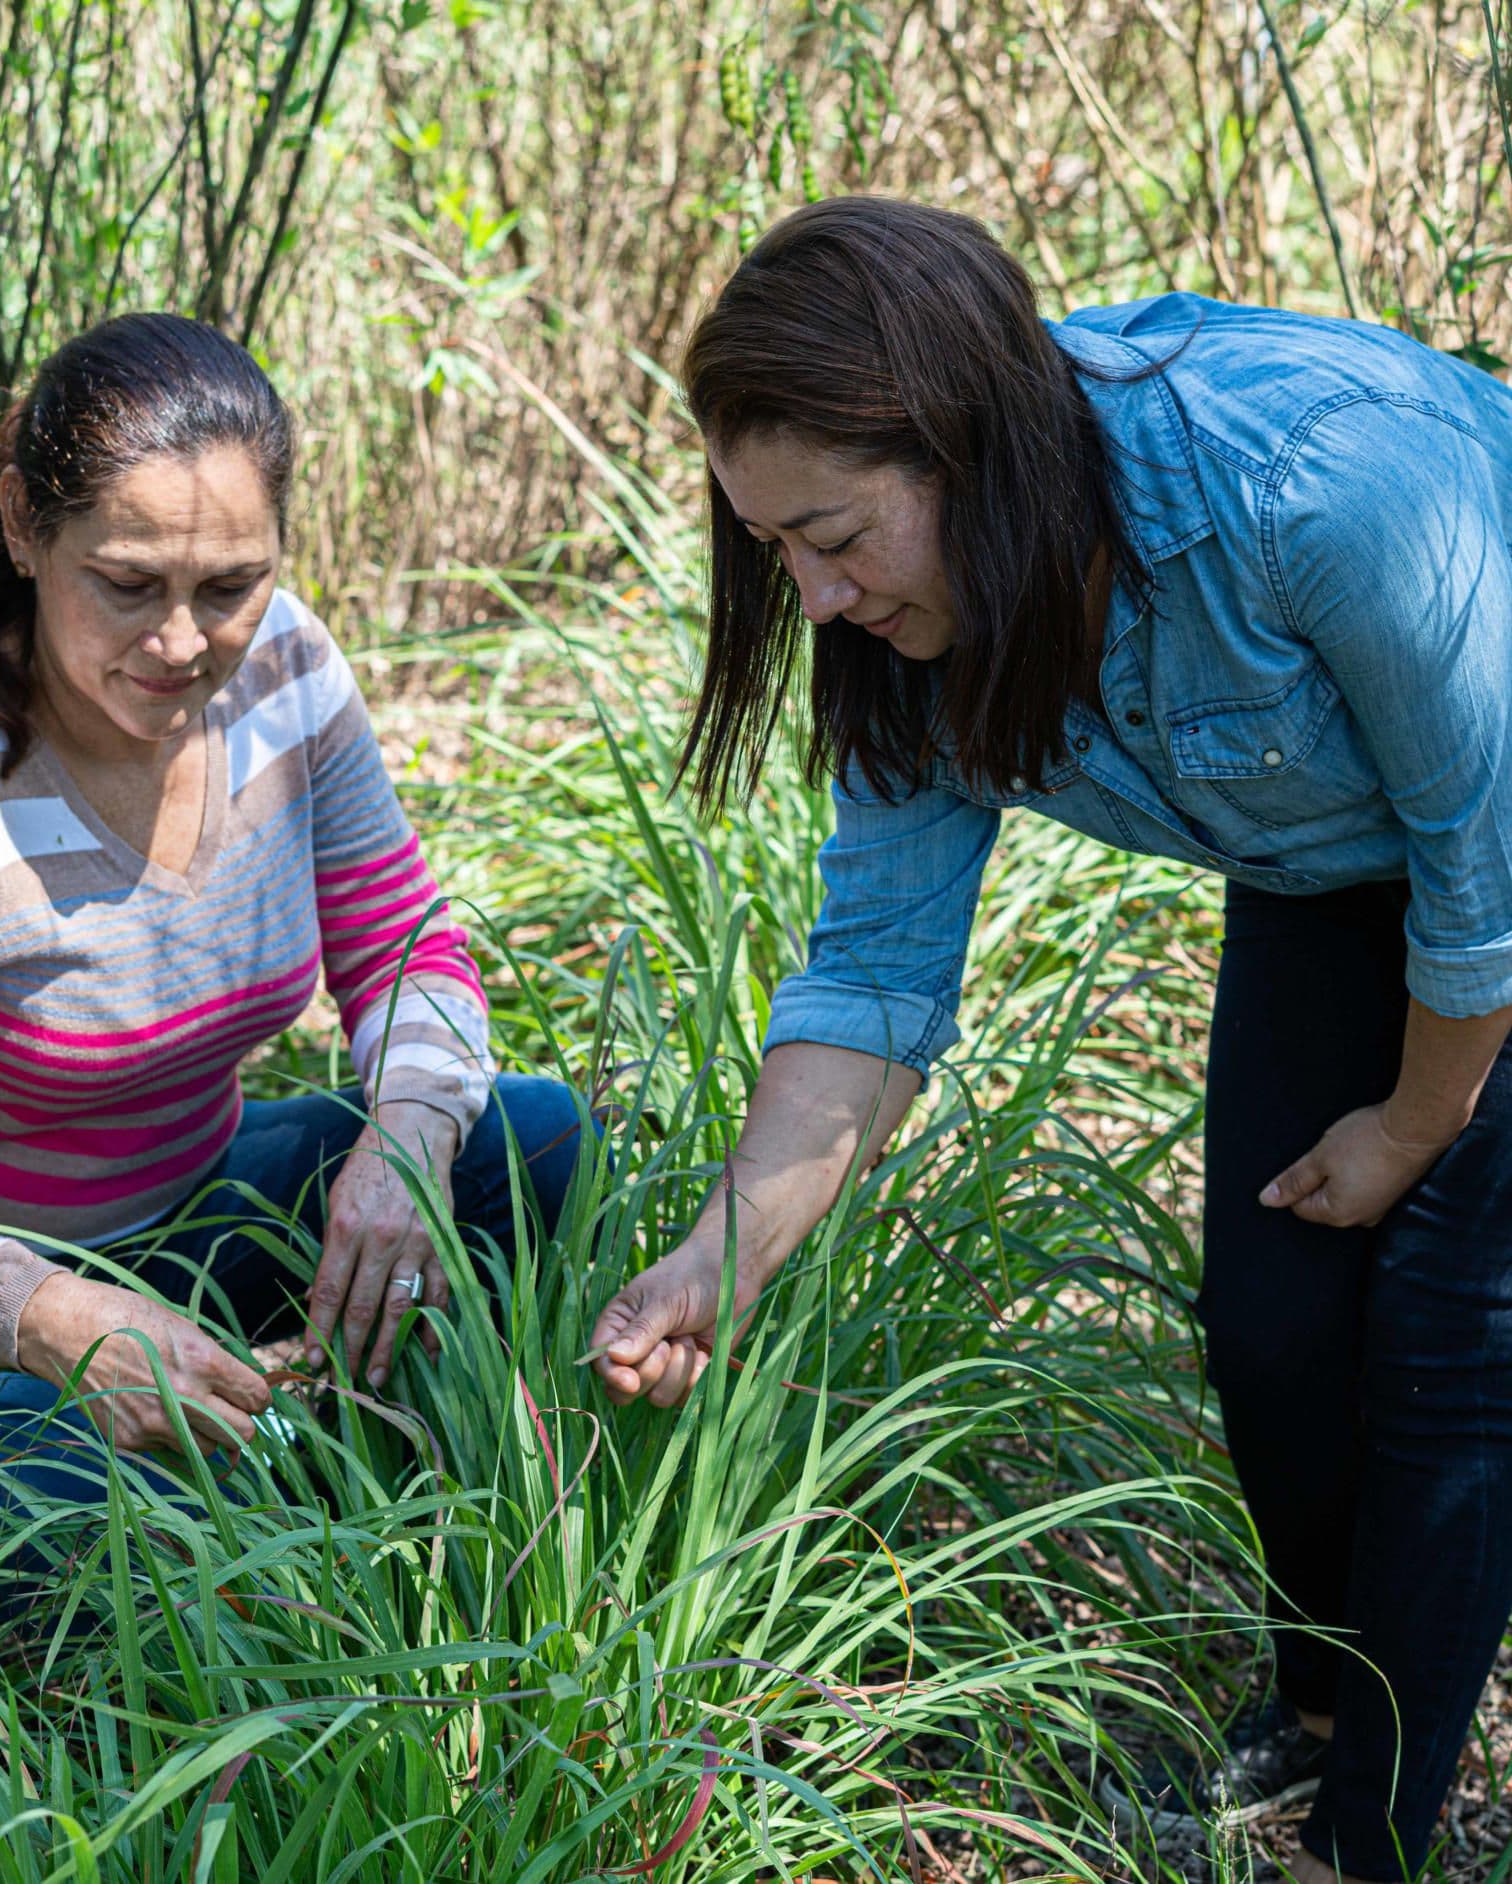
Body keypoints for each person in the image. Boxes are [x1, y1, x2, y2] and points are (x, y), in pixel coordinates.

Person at [587, 196, 1512, 1883]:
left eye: (837, 536)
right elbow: (873, 983)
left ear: (970, 453)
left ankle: (1370, 1838)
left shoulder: (1320, 490)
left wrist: (1411, 1125)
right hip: (1328, 865)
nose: (808, 597)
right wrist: (714, 1259)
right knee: (1273, 1322)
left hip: (1497, 823)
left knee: (1454, 1339)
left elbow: (1487, 876)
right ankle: (1316, 1703)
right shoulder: (905, 651)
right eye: (771, 548)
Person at [0, 311, 585, 1604]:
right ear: (28, 529)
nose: (184, 642)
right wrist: (60, 1320)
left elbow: (412, 949)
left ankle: (272, 1424)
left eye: (228, 586)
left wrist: (406, 1138)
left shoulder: (289, 669)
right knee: (103, 1569)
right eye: (129, 586)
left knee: (524, 1145)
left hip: (192, 1211)